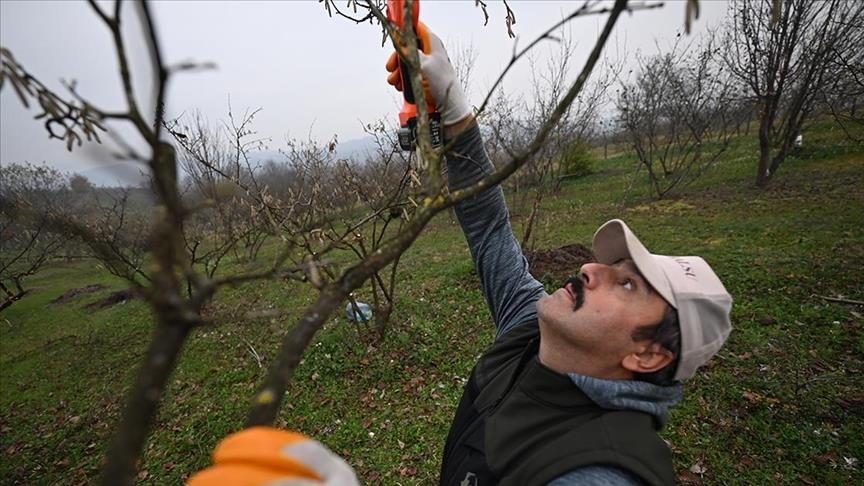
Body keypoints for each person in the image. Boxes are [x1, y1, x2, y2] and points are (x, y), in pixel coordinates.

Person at [189, 24, 732, 486]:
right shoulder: (530, 332)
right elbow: (491, 230)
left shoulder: (597, 473)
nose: (589, 269)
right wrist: (454, 111)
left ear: (648, 357)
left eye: (628, 284)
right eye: (608, 266)